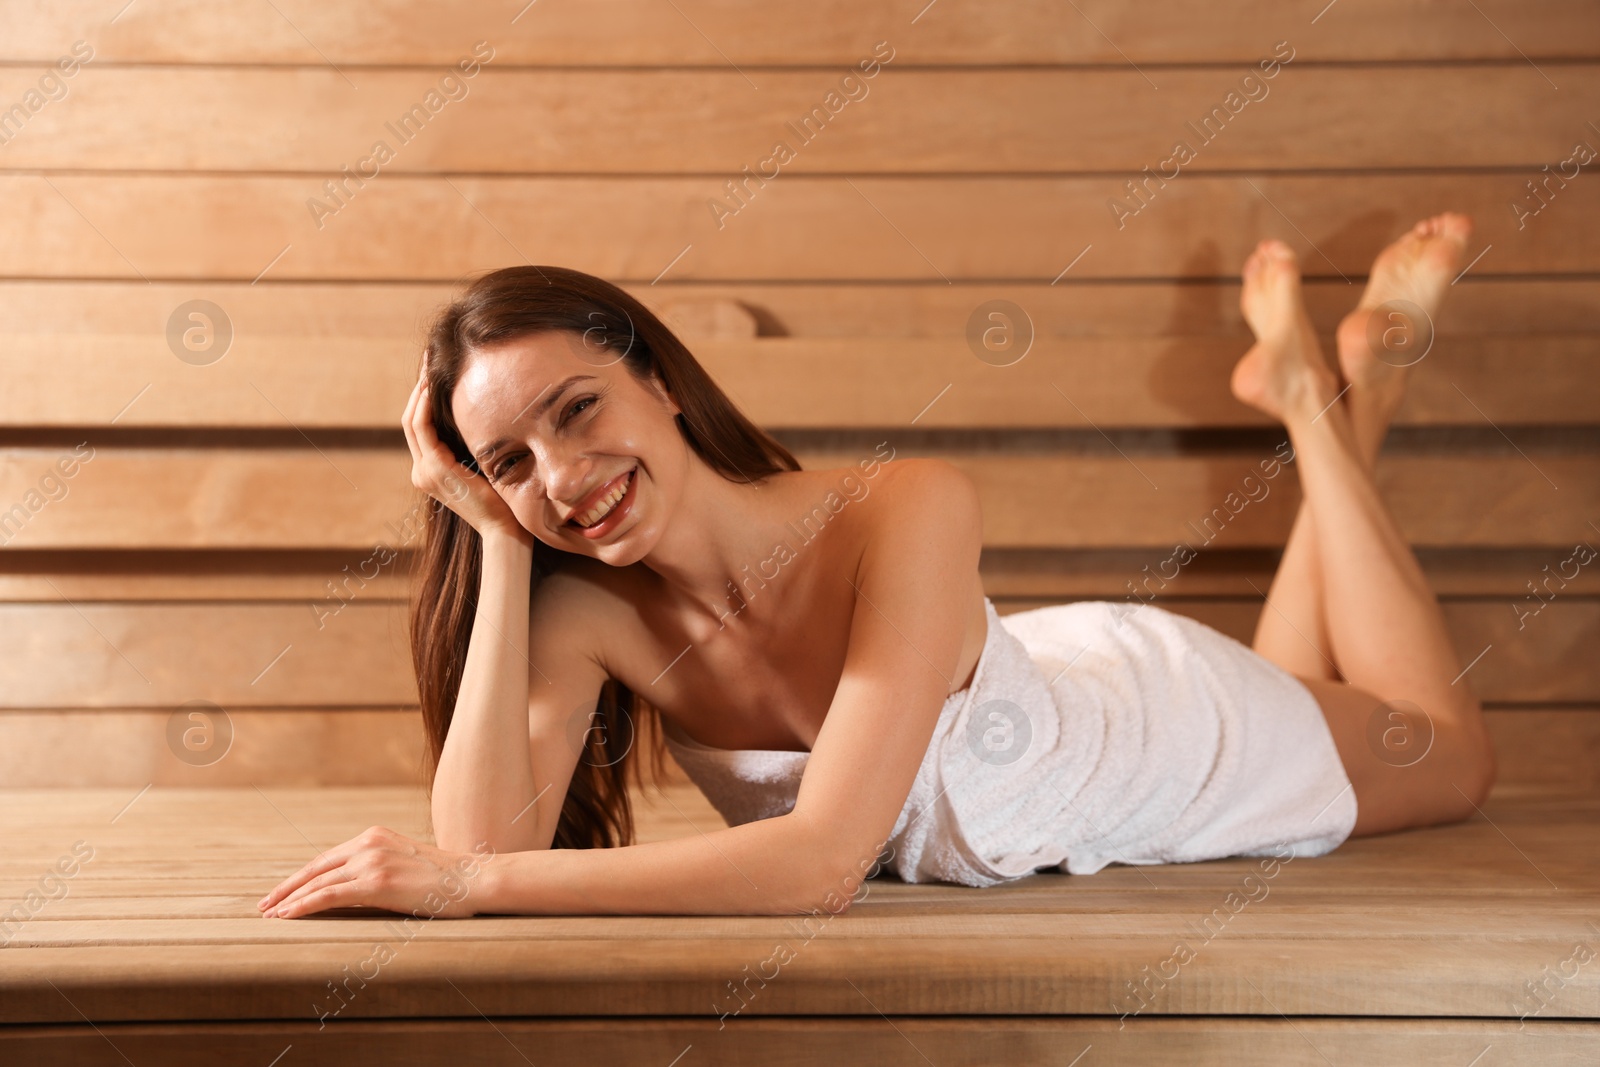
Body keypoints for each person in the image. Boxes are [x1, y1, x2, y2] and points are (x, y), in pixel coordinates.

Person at [258, 214, 1496, 919]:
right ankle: (1331, 400)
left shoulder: (902, 505)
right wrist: (493, 543)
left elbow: (816, 861)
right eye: (510, 461)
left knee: (1443, 750)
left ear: (656, 376)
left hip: (1152, 738)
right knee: (1304, 681)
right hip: (1026, 690)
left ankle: (1320, 411)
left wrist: (470, 883)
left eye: (577, 410)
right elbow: (483, 833)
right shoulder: (587, 609)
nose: (562, 476)